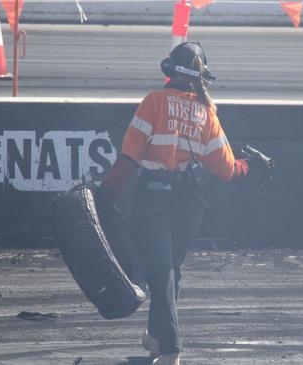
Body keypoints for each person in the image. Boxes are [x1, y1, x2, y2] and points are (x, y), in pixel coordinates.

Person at [99, 42, 250, 365]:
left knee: (160, 271)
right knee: (169, 271)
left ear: (170, 72)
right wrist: (245, 166)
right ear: (200, 78)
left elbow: (128, 159)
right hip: (189, 205)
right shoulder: (206, 112)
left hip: (154, 200)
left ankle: (171, 349)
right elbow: (225, 170)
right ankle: (157, 338)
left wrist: (104, 196)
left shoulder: (153, 102)